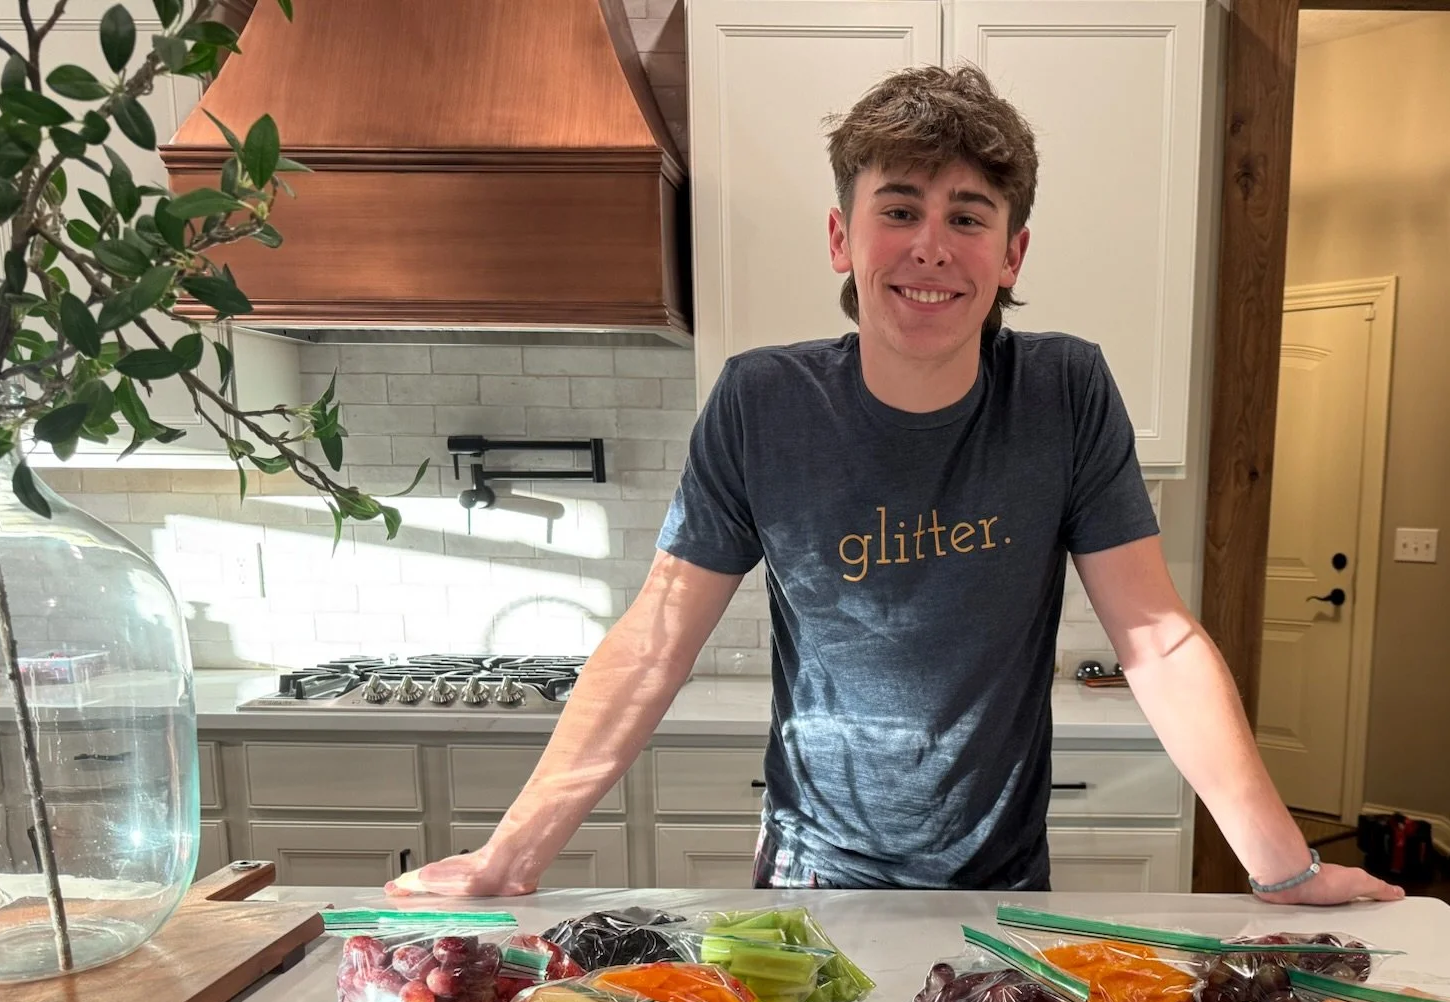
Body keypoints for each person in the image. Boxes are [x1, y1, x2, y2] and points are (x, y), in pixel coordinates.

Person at [391, 65, 1398, 905]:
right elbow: (656, 642)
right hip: (811, 879)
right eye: (899, 209)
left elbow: (1158, 641)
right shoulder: (760, 403)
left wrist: (1282, 868)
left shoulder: (1062, 390)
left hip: (1000, 882)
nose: (929, 245)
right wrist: (507, 857)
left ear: (1011, 255)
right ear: (842, 240)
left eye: (967, 216)